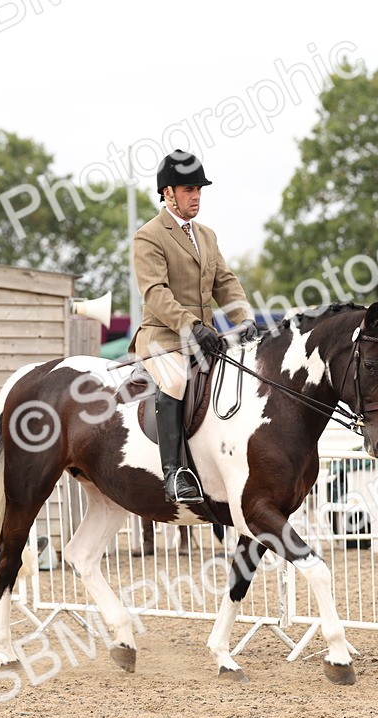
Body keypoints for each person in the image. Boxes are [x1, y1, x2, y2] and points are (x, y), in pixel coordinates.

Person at [129, 150, 258, 504]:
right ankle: (174, 475)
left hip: (204, 338)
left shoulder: (206, 235)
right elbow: (155, 293)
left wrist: (242, 317)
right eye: (189, 189)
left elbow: (225, 282)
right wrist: (189, 325)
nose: (196, 196)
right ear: (168, 193)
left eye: (199, 189)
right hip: (162, 337)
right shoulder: (149, 236)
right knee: (173, 380)